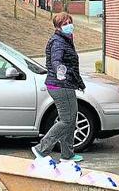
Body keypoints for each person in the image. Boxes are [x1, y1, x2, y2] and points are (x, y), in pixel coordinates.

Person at [31, 12, 86, 163]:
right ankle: (41, 148)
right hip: (60, 85)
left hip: (65, 84)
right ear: (58, 27)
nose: (69, 25)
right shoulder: (58, 41)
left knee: (70, 118)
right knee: (67, 120)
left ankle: (68, 154)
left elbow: (72, 65)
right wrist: (59, 69)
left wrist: (79, 83)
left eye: (69, 22)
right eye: (64, 24)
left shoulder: (66, 39)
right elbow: (56, 59)